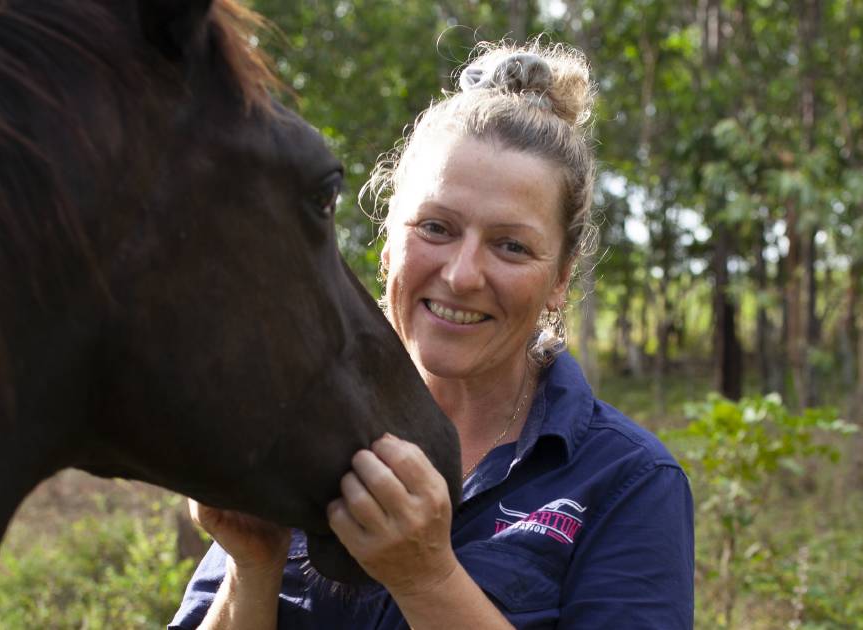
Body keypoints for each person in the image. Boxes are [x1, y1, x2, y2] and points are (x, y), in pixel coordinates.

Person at [170, 40, 694, 630]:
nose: (462, 274)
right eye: (436, 228)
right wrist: (253, 566)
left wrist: (427, 578)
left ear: (560, 279)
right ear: (389, 241)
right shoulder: (306, 427)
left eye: (511, 245)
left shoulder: (628, 481)